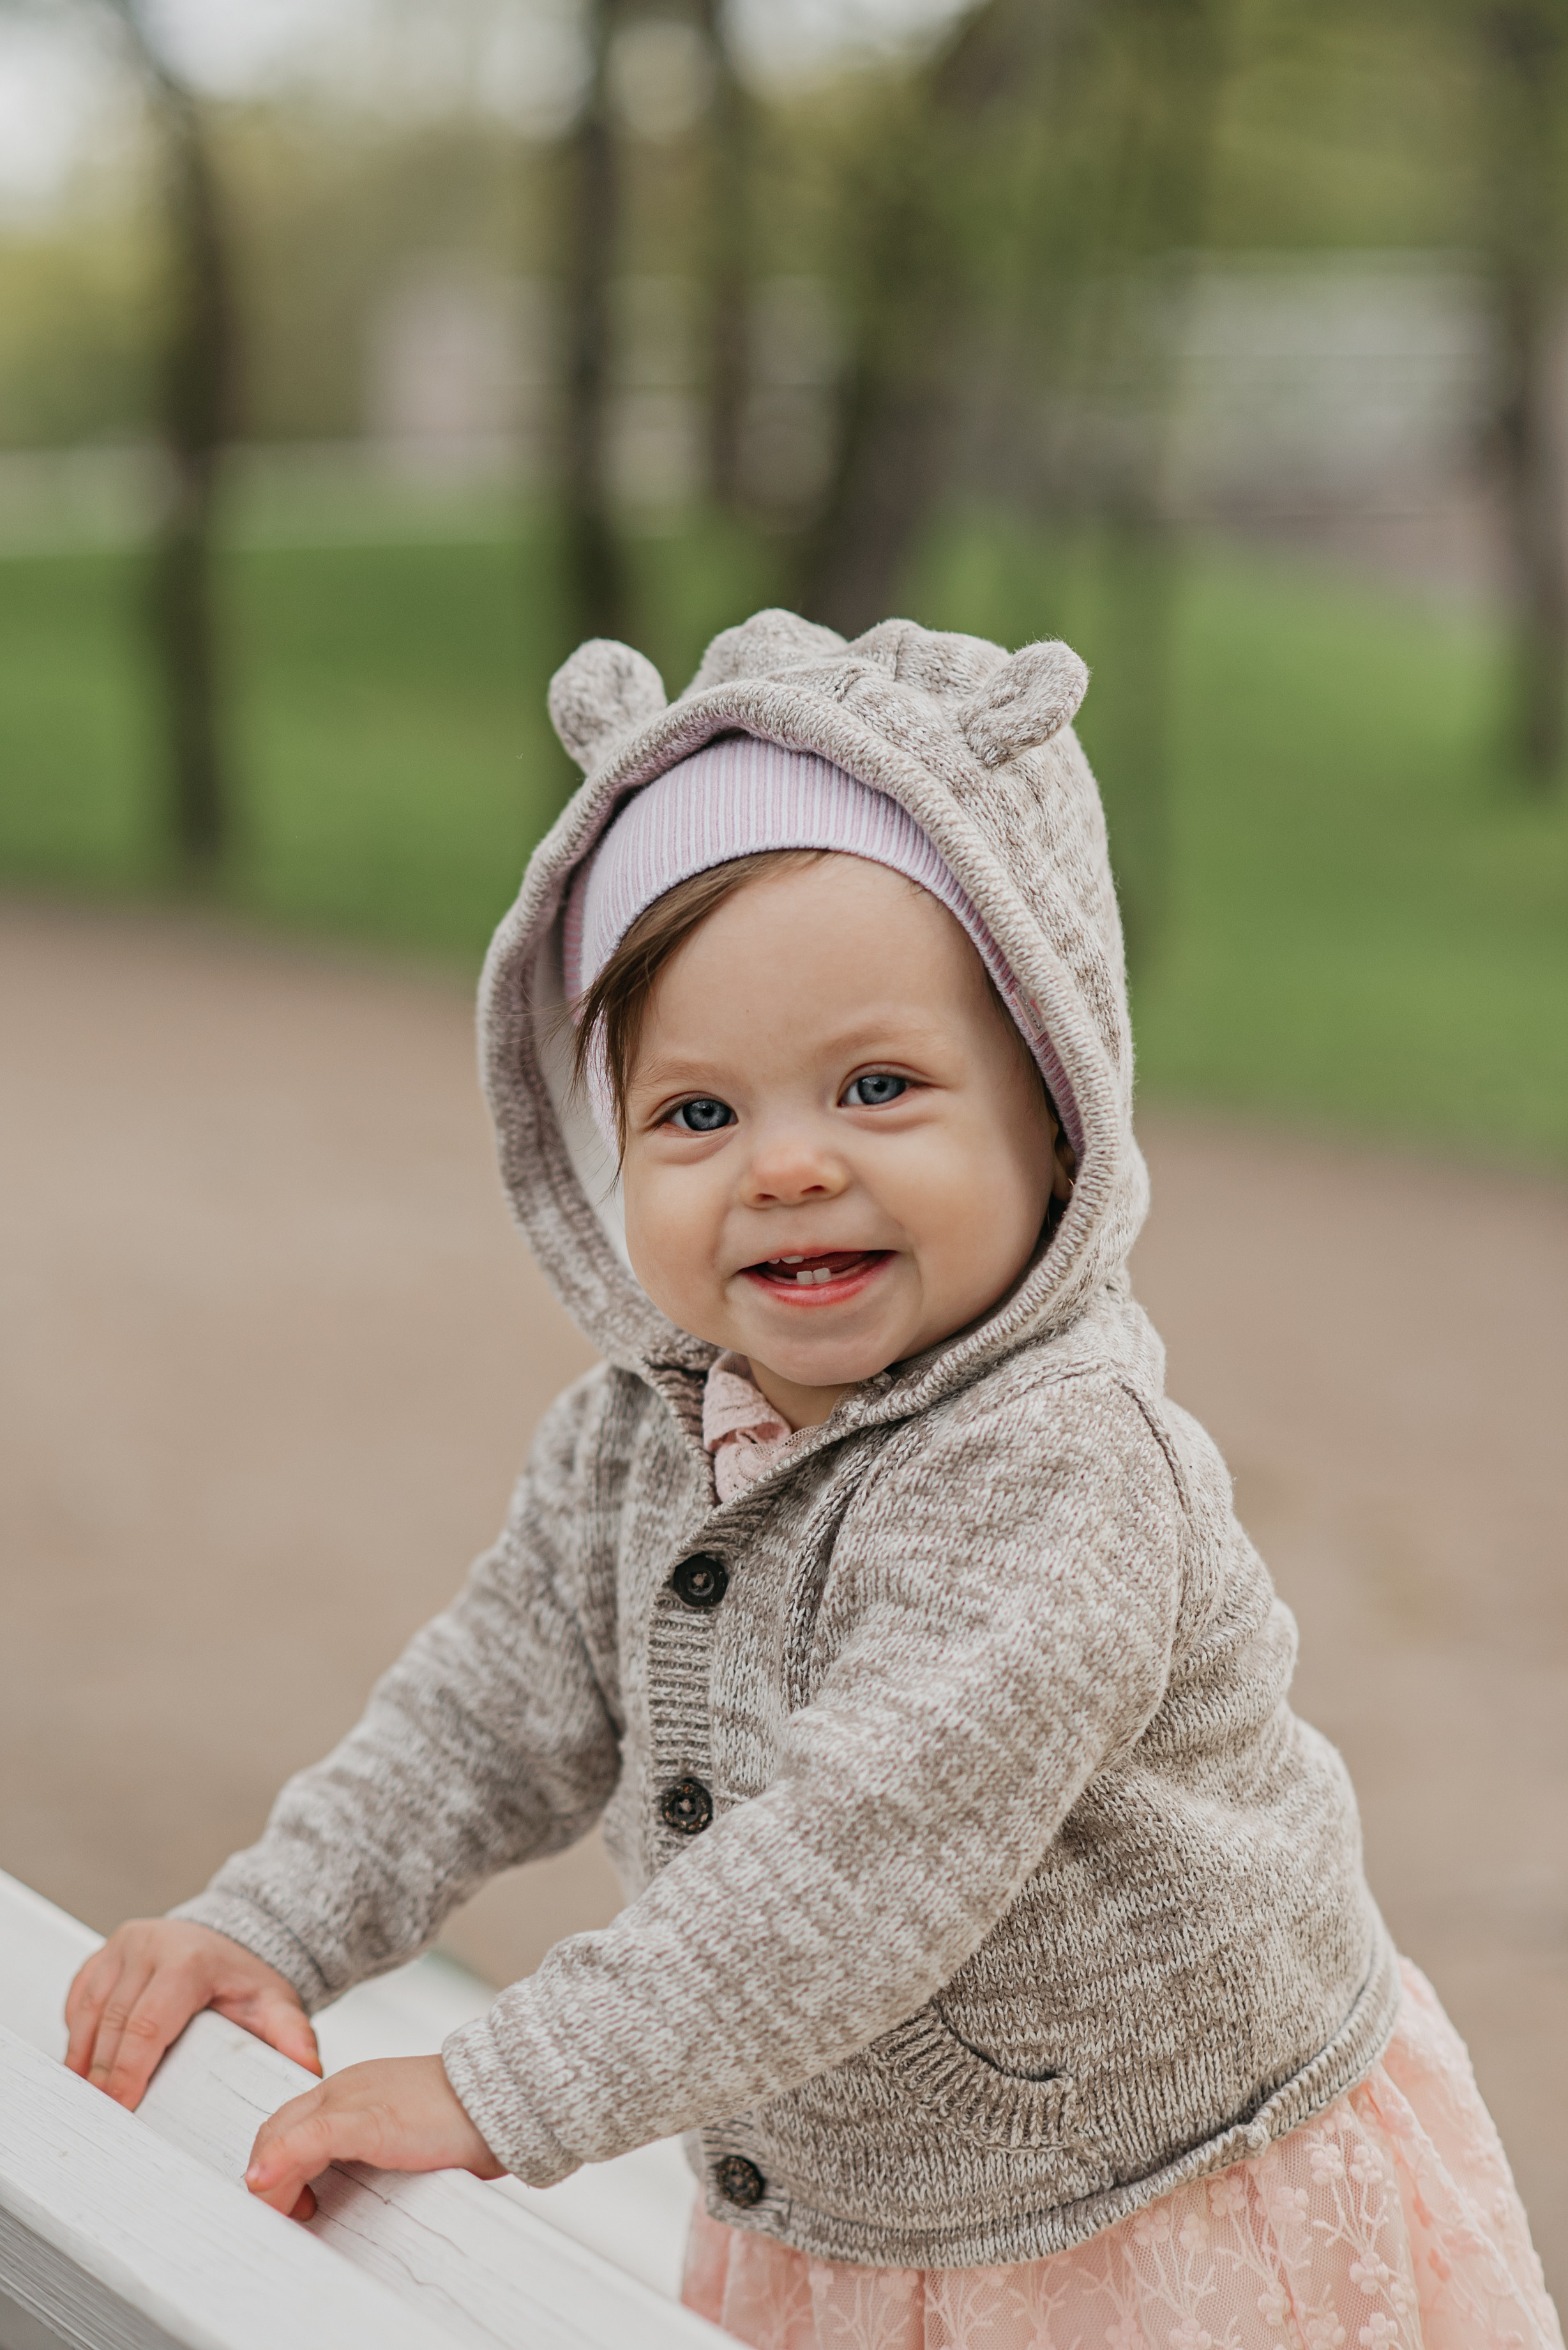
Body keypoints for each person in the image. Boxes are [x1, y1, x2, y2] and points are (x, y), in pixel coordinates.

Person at [65, 610, 1560, 2350]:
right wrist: (272, 1924)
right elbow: (480, 1719)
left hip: (1152, 2220)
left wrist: (499, 2085)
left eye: (879, 1086)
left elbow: (854, 1871)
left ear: (1058, 1114)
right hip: (845, 2214)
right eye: (696, 1115)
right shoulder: (644, 1433)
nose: (787, 1166)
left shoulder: (1061, 1477)